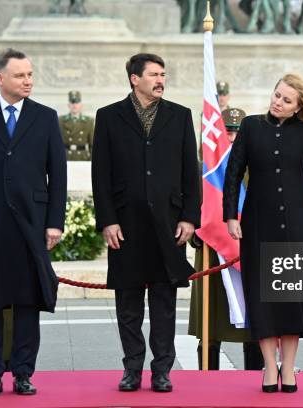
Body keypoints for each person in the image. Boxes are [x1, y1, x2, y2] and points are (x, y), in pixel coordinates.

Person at [0, 48, 67, 396]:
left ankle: (22, 373)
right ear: (0, 78)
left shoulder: (45, 117)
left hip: (31, 224)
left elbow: (58, 175)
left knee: (26, 301)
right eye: (20, 75)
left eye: (30, 75)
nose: (28, 81)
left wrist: (54, 223)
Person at [91, 53, 200, 392]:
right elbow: (101, 175)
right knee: (128, 303)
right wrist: (107, 221)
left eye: (163, 74)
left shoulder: (180, 116)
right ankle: (132, 368)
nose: (160, 80)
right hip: (126, 225)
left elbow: (189, 172)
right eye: (154, 74)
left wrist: (189, 217)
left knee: (165, 302)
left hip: (168, 223)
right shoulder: (109, 117)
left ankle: (162, 369)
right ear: (134, 79)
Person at [223, 73, 303, 392]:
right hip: (259, 223)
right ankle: (268, 368)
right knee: (263, 300)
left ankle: (288, 368)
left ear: (298, 106)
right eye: (277, 95)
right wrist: (230, 216)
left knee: (291, 299)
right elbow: (233, 173)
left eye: (287, 100)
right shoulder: (251, 126)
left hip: (298, 224)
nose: (278, 102)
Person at [188, 107, 264, 371]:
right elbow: (191, 206)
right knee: (210, 324)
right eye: (226, 132)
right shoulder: (205, 170)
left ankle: (253, 376)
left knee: (254, 324)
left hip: (248, 253)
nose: (231, 138)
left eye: (237, 133)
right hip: (212, 254)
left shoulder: (257, 168)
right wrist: (197, 236)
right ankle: (207, 379)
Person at [59, 90, 94, 161]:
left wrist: (92, 160)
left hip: (82, 157)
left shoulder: (89, 121)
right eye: (72, 102)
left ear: (81, 105)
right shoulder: (60, 120)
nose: (74, 105)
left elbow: (92, 145)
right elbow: (56, 143)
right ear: (68, 105)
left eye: (77, 102)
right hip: (65, 157)